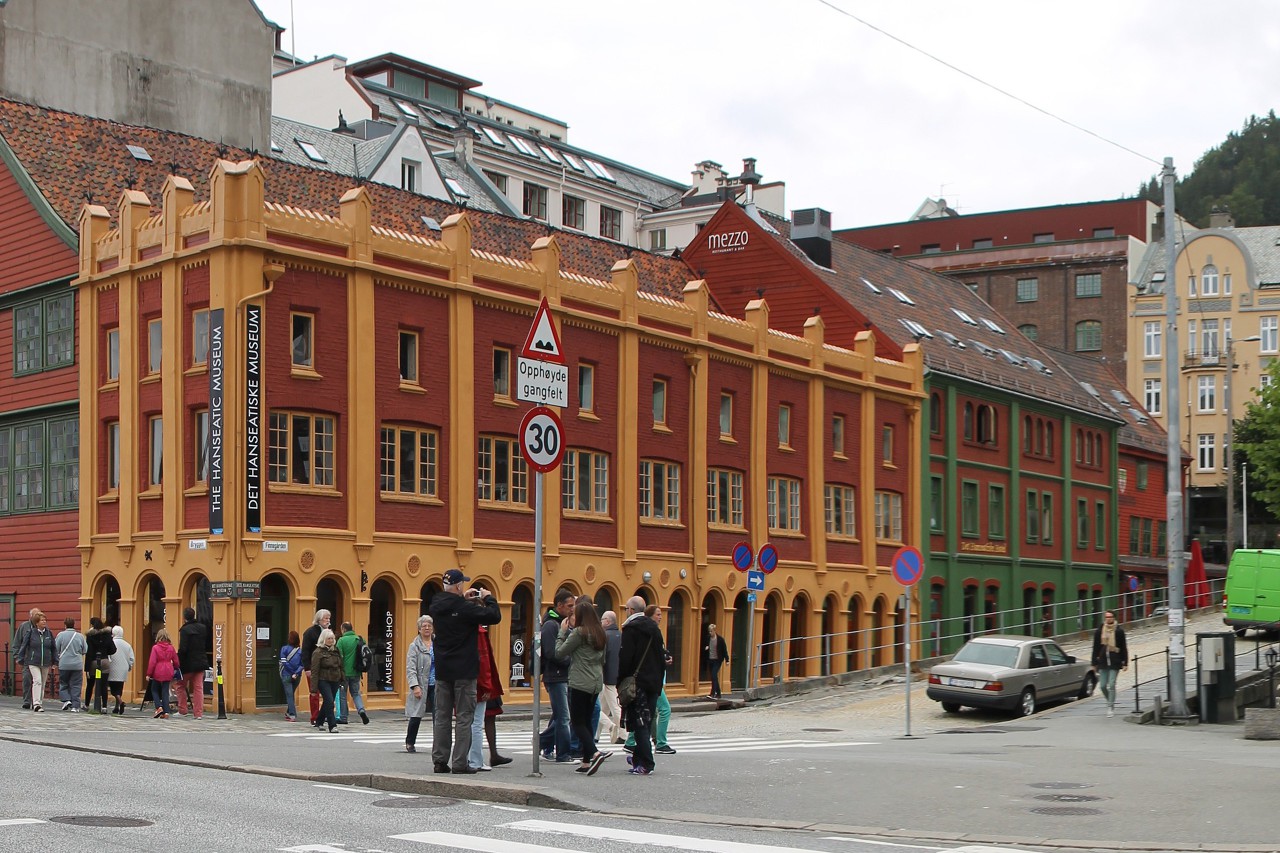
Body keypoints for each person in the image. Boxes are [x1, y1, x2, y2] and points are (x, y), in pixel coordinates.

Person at [427, 568, 501, 774]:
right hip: (465, 670)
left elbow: (454, 609)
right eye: (463, 585)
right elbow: (494, 616)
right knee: (464, 717)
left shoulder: (436, 606)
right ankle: (460, 762)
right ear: (459, 586)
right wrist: (488, 598)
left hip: (443, 669)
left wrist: (464, 600)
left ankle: (439, 761)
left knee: (442, 716)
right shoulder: (465, 609)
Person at [557, 597, 610, 775]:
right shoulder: (600, 632)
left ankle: (594, 753)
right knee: (587, 720)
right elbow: (603, 659)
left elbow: (560, 652)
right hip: (596, 681)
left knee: (578, 722)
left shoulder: (579, 632)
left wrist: (562, 633)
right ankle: (586, 762)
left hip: (580, 681)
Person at [618, 596, 667, 776]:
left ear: (631, 610)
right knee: (646, 721)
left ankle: (646, 762)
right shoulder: (654, 629)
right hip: (653, 682)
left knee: (639, 722)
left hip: (637, 682)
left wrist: (620, 680)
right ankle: (639, 757)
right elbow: (661, 657)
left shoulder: (631, 630)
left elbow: (625, 659)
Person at [626, 605, 675, 756]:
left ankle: (631, 741)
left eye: (661, 614)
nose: (660, 617)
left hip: (653, 678)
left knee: (647, 713)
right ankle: (660, 742)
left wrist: (664, 657)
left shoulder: (651, 632)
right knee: (664, 709)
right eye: (658, 614)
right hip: (651, 680)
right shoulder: (650, 632)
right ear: (649, 615)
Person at [538, 588, 575, 762]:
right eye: (569, 605)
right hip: (555, 676)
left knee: (560, 715)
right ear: (559, 605)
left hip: (562, 675)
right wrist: (570, 659)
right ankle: (563, 753)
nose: (572, 609)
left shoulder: (561, 623)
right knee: (563, 717)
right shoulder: (551, 625)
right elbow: (551, 652)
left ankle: (542, 742)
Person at [468, 621, 509, 771]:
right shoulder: (479, 632)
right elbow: (483, 660)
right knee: (476, 723)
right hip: (478, 684)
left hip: (462, 680)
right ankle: (475, 761)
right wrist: (487, 686)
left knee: (467, 722)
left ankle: (466, 758)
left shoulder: (460, 628)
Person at [404, 615, 436, 753]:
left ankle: (439, 743)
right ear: (419, 629)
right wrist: (414, 686)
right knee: (416, 714)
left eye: (429, 625)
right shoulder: (414, 646)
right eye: (424, 626)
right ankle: (410, 742)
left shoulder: (438, 644)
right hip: (421, 683)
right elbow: (410, 668)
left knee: (439, 715)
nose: (427, 628)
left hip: (437, 683)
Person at [596, 610, 627, 747]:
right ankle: (596, 735)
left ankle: (623, 733)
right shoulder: (621, 636)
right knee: (603, 707)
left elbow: (601, 658)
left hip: (606, 676)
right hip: (618, 675)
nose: (601, 622)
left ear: (608, 621)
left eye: (602, 619)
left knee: (614, 708)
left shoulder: (604, 636)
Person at [1092, 610, 1129, 717]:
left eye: (1110, 617)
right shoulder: (1099, 631)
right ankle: (1110, 701)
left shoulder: (1119, 631)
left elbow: (1123, 647)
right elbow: (1095, 648)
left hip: (1115, 661)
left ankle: (1110, 706)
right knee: (1103, 686)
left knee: (1112, 684)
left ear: (1114, 618)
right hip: (1102, 661)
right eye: (1106, 617)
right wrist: (1094, 662)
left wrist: (1125, 662)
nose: (1108, 619)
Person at [176, 607, 209, 719]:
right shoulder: (203, 628)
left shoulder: (184, 630)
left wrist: (178, 660)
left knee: (180, 686)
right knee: (198, 688)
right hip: (200, 662)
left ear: (184, 617)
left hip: (187, 663)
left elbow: (183, 648)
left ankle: (182, 710)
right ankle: (198, 713)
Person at [335, 621, 370, 725]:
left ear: (344, 629)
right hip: (356, 672)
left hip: (344, 673)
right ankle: (361, 710)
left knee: (343, 695)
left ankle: (343, 717)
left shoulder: (341, 640)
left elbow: (338, 657)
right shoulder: (359, 639)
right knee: (356, 693)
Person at [301, 609, 331, 727]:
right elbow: (305, 652)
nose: (328, 621)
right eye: (326, 618)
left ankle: (325, 715)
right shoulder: (310, 632)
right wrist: (307, 668)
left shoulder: (329, 633)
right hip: (314, 668)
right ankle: (315, 717)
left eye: (329, 618)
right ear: (319, 619)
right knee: (314, 693)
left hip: (327, 668)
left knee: (328, 694)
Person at [310, 628, 344, 732]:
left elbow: (341, 666)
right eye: (329, 638)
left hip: (335, 679)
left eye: (332, 638)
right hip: (323, 679)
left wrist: (342, 678)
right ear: (324, 639)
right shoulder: (318, 652)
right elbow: (314, 671)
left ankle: (319, 721)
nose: (331, 640)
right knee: (329, 701)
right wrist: (313, 689)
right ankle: (332, 725)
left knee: (328, 702)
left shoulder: (336, 650)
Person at [22, 610, 55, 712]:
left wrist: (55, 661)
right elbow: (24, 646)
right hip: (33, 661)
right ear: (37, 623)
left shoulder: (49, 633)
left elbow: (53, 648)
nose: (44, 622)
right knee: (37, 681)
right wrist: (20, 658)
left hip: (45, 661)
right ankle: (36, 703)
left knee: (43, 683)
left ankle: (39, 702)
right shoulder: (31, 633)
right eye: (42, 620)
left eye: (45, 620)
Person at [84, 616, 117, 713]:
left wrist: (87, 668)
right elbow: (113, 649)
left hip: (94, 662)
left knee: (90, 684)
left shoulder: (90, 636)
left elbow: (89, 652)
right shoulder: (107, 634)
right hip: (104, 662)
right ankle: (104, 707)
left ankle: (86, 704)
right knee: (104, 684)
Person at [54, 616, 87, 712]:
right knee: (76, 685)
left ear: (65, 625)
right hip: (77, 664)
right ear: (74, 625)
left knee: (63, 683)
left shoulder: (60, 635)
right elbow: (85, 650)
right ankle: (75, 706)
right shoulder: (80, 636)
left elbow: (56, 648)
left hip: (64, 664)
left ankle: (66, 699)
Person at [146, 628, 179, 719]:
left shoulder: (155, 648)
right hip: (168, 669)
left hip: (158, 669)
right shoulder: (171, 648)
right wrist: (175, 668)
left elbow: (152, 662)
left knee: (154, 690)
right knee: (165, 691)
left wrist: (149, 674)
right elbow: (176, 661)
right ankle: (166, 711)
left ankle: (159, 707)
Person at [13, 607, 39, 709]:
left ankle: (37, 701)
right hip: (26, 658)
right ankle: (27, 701)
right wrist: (17, 656)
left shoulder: (41, 627)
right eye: (35, 615)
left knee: (37, 681)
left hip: (38, 659)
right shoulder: (24, 627)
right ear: (31, 616)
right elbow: (17, 642)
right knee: (27, 679)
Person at [106, 625, 135, 715]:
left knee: (113, 689)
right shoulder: (127, 645)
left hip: (113, 667)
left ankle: (120, 702)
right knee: (119, 688)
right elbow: (131, 658)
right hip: (123, 668)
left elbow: (108, 655)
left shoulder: (111, 643)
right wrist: (129, 665)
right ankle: (116, 707)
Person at [279, 630, 304, 721]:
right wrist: (296, 673)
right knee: (291, 693)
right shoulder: (300, 651)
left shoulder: (284, 649)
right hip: (297, 676)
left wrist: (291, 671)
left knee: (289, 695)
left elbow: (284, 662)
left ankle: (292, 714)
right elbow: (302, 664)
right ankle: (289, 712)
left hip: (286, 674)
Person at [703, 623, 729, 699]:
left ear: (714, 630)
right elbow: (704, 648)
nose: (710, 633)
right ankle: (719, 694)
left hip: (718, 660)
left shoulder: (720, 639)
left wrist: (727, 660)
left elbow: (724, 650)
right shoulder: (708, 638)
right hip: (710, 659)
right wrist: (706, 648)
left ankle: (713, 693)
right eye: (709, 631)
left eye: (711, 631)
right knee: (714, 677)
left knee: (714, 675)